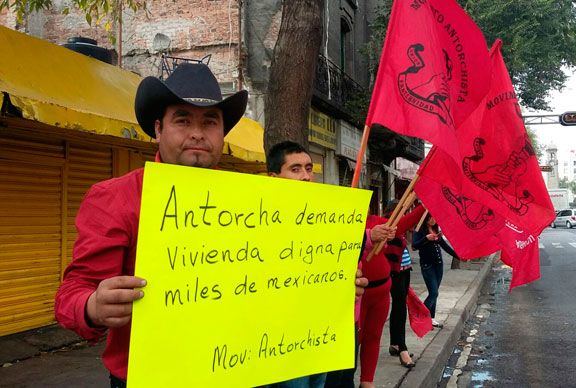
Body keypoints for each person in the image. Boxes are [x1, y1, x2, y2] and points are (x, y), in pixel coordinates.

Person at [54, 65, 367, 387]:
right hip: (151, 378)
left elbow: (277, 281)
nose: (197, 133)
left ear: (222, 133)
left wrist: (332, 287)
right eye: (182, 120)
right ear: (158, 129)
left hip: (236, 372)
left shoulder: (256, 204)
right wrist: (92, 306)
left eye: (210, 122)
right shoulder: (115, 197)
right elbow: (72, 293)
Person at [264, 140, 325, 388]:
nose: (306, 177)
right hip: (279, 343)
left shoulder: (324, 220)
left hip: (318, 335)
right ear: (273, 177)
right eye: (296, 169)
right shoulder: (255, 220)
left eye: (309, 169)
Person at [358, 204, 424, 388]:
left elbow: (401, 224)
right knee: (355, 342)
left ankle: (367, 383)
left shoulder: (377, 222)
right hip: (358, 296)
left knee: (373, 338)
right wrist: (368, 236)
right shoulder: (343, 226)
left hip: (381, 292)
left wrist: (424, 205)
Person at [383, 201, 416, 368]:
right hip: (395, 272)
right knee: (399, 309)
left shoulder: (397, 226)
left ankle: (395, 344)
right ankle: (402, 348)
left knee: (399, 307)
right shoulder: (390, 226)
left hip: (404, 270)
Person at [412, 213, 458, 328]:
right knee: (433, 292)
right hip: (427, 265)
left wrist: (459, 256)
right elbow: (414, 245)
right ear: (426, 218)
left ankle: (431, 318)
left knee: (435, 292)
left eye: (434, 217)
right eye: (431, 217)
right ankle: (421, 316)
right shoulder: (419, 230)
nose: (433, 220)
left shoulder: (435, 230)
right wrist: (426, 239)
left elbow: (445, 246)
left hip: (439, 265)